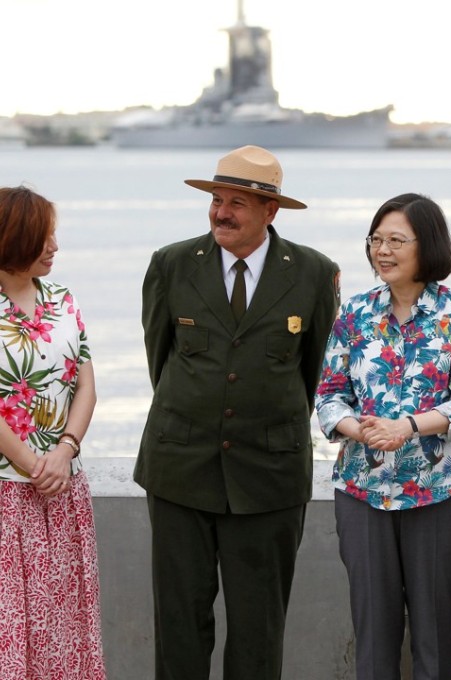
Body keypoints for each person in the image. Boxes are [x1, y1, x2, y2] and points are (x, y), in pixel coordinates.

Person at [135, 145, 339, 680]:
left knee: (258, 631)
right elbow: (162, 361)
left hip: (269, 478)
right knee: (180, 626)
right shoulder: (171, 264)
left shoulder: (315, 274)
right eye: (217, 200)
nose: (221, 212)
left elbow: (313, 371)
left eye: (237, 204)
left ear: (270, 212)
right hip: (179, 470)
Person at [315, 193, 451, 680]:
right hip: (361, 491)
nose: (383, 251)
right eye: (376, 240)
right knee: (372, 636)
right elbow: (328, 397)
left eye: (396, 240)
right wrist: (363, 430)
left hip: (439, 492)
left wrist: (407, 427)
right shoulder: (353, 314)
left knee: (435, 636)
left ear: (426, 245)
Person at [0, 186, 104, 679]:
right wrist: (31, 462)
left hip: (61, 488)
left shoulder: (63, 299)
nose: (54, 245)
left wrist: (64, 451)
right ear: (14, 238)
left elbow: (85, 384)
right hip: (7, 492)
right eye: (44, 236)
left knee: (63, 626)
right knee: (10, 627)